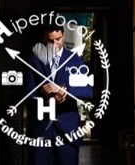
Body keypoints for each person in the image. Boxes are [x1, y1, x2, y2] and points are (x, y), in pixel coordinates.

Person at [25, 24, 93, 165]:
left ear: (63, 36)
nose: (55, 44)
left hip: (67, 129)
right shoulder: (33, 60)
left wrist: (65, 92)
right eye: (51, 40)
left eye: (58, 39)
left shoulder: (74, 60)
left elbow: (88, 91)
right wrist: (44, 96)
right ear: (44, 38)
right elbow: (28, 94)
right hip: (40, 129)